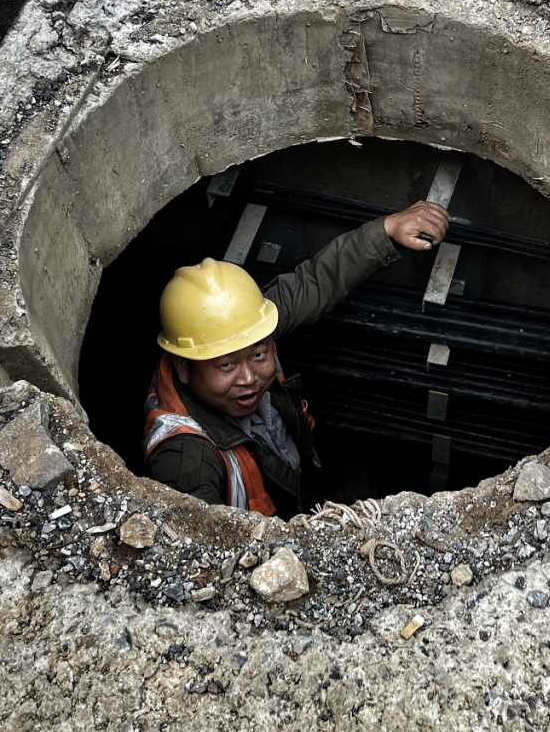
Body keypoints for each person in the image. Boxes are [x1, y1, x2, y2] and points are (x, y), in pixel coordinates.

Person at [143, 200, 450, 517]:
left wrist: (386, 231)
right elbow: (196, 534)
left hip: (293, 481)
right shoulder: (186, 461)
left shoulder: (242, 327)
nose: (249, 377)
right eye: (226, 366)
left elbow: (314, 283)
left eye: (259, 354)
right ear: (184, 366)